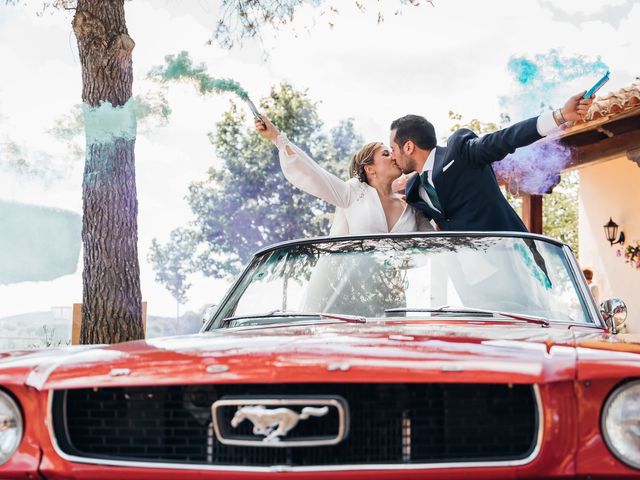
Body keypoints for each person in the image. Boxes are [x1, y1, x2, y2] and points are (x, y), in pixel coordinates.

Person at [389, 91, 594, 232]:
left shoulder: (459, 151)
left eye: (393, 149)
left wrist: (560, 116)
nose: (393, 156)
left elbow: (505, 139)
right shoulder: (414, 191)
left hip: (511, 261)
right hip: (469, 284)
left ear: (408, 147)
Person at [255, 115, 433, 235]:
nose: (394, 157)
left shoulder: (411, 205)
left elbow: (436, 242)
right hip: (354, 287)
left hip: (397, 290)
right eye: (386, 154)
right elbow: (313, 173)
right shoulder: (351, 193)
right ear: (369, 168)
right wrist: (276, 137)